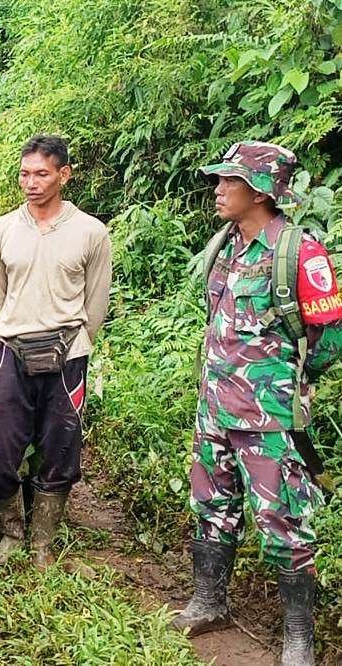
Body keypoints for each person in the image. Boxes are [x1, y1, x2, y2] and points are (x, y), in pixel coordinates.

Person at [174, 141, 342, 666]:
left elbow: (330, 335)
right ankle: (209, 601)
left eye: (230, 182)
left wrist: (291, 380)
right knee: (212, 506)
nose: (219, 190)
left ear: (263, 191)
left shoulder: (299, 253)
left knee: (283, 519)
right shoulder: (226, 245)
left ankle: (298, 639)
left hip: (269, 416)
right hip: (215, 409)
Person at [0, 134, 112, 569]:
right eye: (24, 174)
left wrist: (75, 342)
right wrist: (20, 326)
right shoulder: (1, 231)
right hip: (11, 350)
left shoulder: (91, 233)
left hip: (68, 353)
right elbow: (1, 292)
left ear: (63, 174)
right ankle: (11, 536)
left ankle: (42, 544)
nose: (31, 183)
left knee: (60, 448)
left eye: (41, 173)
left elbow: (96, 301)